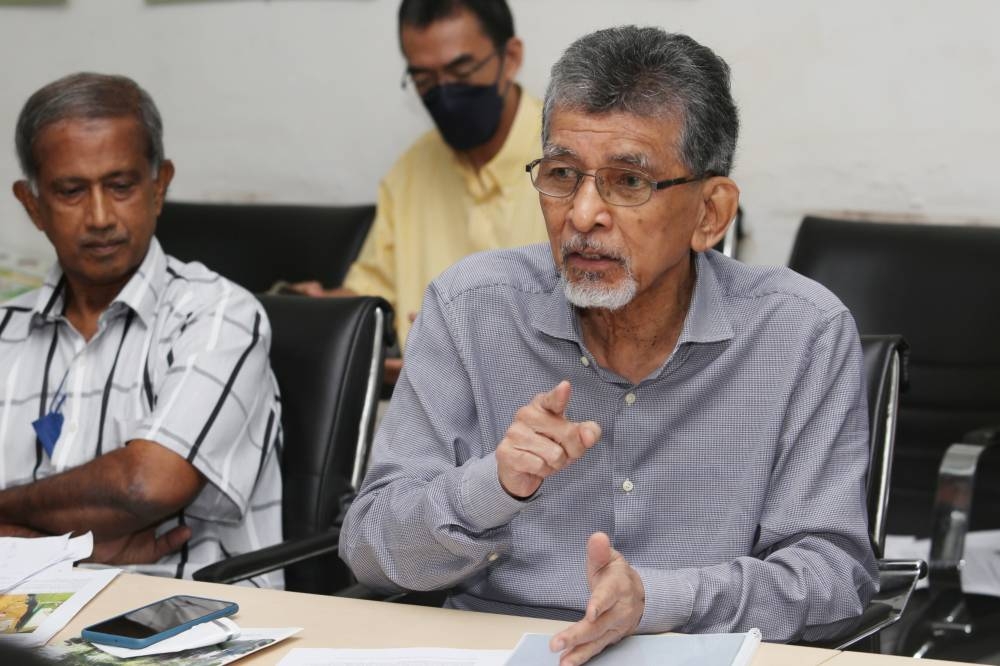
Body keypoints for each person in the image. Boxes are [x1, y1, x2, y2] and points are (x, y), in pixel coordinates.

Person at [340, 26, 878, 665]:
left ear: (710, 212)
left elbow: (832, 577)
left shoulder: (800, 331)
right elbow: (370, 550)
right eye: (563, 174)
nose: (582, 213)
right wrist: (493, 486)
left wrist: (659, 598)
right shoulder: (469, 308)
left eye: (629, 182)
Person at [0, 73, 283, 586]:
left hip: (192, 629)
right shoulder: (5, 334)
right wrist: (62, 550)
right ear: (32, 204)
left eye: (121, 186)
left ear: (159, 187)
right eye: (70, 191)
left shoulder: (219, 316)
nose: (101, 217)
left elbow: (145, 486)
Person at [293, 0, 548, 379]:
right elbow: (373, 292)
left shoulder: (570, 157)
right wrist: (318, 309)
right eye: (425, 80)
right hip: (430, 406)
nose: (444, 94)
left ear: (509, 58)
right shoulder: (410, 172)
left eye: (461, 70)